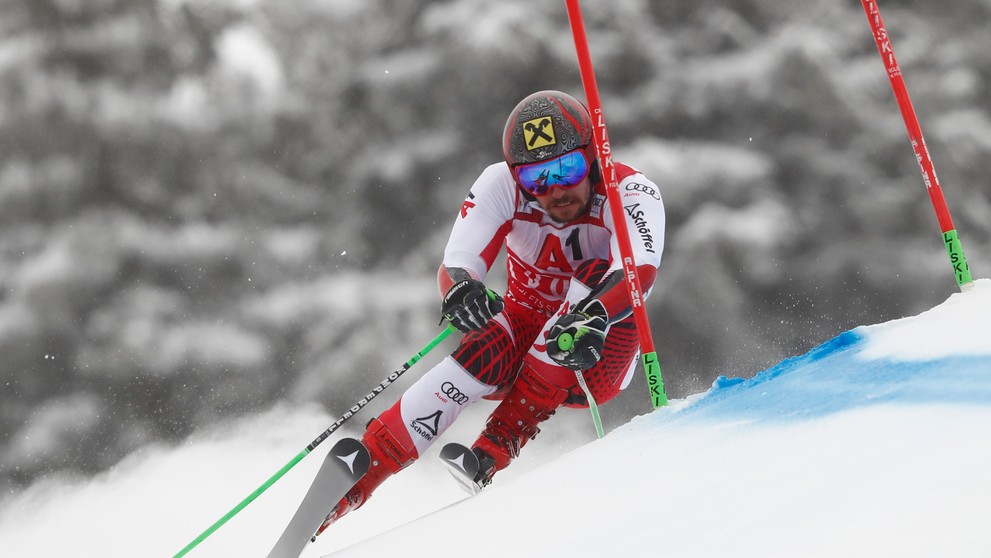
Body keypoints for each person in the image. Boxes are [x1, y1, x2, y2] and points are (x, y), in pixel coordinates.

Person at [319, 89, 666, 531]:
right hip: (524, 330)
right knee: (480, 344)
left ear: (593, 156)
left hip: (597, 353)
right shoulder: (499, 184)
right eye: (536, 179)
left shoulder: (631, 192)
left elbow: (638, 273)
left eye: (568, 168)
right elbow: (458, 262)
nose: (555, 189)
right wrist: (461, 290)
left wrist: (594, 314)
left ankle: (498, 444)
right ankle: (359, 478)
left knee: (578, 307)